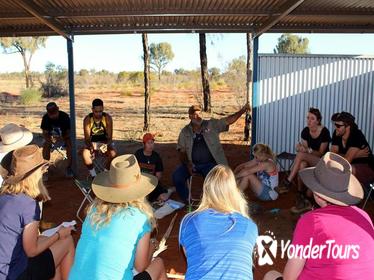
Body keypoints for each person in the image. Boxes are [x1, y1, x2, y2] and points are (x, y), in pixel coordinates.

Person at [263, 152, 374, 280]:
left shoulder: (311, 221)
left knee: (270, 275)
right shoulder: (364, 215)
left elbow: (290, 277)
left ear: (317, 193)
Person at [69, 154, 167, 280]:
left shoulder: (93, 211)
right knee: (158, 263)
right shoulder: (140, 217)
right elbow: (141, 266)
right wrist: (152, 247)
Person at [0, 145, 75, 280]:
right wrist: (58, 234)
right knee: (67, 240)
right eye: (42, 170)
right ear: (35, 175)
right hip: (14, 274)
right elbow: (31, 251)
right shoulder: (28, 204)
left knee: (50, 253)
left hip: (5, 267)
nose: (44, 172)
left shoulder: (4, 196)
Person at [179, 165, 258, 280]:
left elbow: (191, 255)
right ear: (233, 191)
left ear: (206, 189)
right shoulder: (250, 226)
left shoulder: (188, 221)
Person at [173, 103, 251, 202]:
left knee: (212, 180)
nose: (198, 116)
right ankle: (187, 200)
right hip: (192, 164)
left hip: (210, 164)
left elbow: (228, 121)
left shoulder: (211, 124)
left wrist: (243, 110)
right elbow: (181, 150)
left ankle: (213, 202)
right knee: (177, 176)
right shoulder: (185, 132)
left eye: (200, 113)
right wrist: (187, 164)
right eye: (195, 114)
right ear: (190, 116)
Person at [277, 107, 331, 213]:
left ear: (318, 120)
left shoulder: (324, 132)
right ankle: (301, 194)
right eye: (307, 118)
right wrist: (301, 148)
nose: (308, 121)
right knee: (302, 164)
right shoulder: (305, 131)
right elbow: (305, 152)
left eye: (312, 118)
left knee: (301, 155)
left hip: (322, 162)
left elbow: (320, 153)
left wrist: (306, 150)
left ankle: (288, 182)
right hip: (309, 159)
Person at [330, 111, 374, 186]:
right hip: (352, 165)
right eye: (335, 124)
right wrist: (356, 155)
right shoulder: (337, 133)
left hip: (367, 168)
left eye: (338, 126)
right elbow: (332, 155)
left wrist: (347, 157)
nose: (335, 127)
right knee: (333, 167)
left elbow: (346, 161)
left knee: (346, 169)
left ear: (348, 126)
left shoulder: (356, 135)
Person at [82, 98, 117, 178]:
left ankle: (105, 173)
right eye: (96, 111)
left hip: (104, 143)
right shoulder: (88, 119)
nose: (98, 114)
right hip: (92, 144)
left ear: (103, 109)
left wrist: (104, 146)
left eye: (100, 111)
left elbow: (109, 138)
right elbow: (87, 139)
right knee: (85, 154)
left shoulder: (107, 118)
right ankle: (94, 175)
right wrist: (91, 147)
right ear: (92, 110)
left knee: (113, 153)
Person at [135, 133, 175, 202]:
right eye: (148, 143)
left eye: (152, 143)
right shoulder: (138, 154)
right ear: (144, 144)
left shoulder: (156, 157)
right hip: (140, 183)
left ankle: (170, 190)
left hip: (152, 183)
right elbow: (133, 171)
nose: (151, 145)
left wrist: (150, 186)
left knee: (162, 198)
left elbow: (158, 176)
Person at [40, 102, 73, 178]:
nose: (53, 115)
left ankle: (69, 167)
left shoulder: (64, 116)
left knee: (69, 144)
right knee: (45, 145)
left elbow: (69, 132)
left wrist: (62, 138)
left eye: (54, 113)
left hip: (64, 138)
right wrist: (49, 139)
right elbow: (45, 133)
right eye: (51, 114)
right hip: (52, 139)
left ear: (58, 109)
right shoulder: (45, 118)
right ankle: (45, 168)